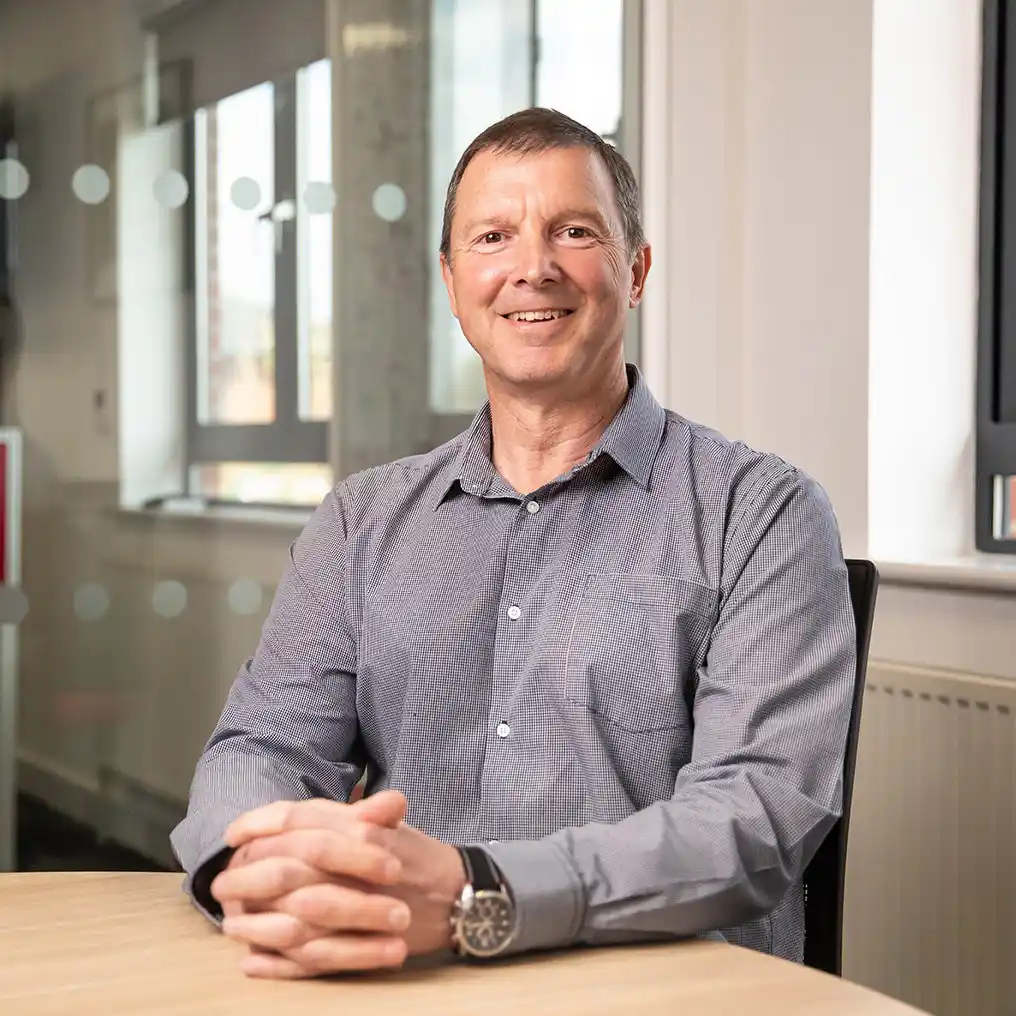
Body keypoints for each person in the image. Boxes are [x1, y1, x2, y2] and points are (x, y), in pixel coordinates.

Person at [170, 107, 855, 980]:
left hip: (657, 992)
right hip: (398, 978)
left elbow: (752, 820)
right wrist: (256, 868)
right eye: (493, 237)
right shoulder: (360, 522)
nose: (532, 269)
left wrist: (473, 894)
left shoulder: (762, 514)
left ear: (635, 271)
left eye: (573, 231)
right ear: (453, 283)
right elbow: (260, 749)